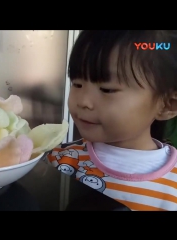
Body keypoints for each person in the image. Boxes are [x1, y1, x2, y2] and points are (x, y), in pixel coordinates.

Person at [44, 30, 177, 211]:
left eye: (107, 89)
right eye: (77, 84)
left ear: (167, 105)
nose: (83, 101)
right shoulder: (57, 160)